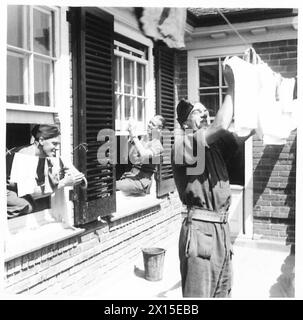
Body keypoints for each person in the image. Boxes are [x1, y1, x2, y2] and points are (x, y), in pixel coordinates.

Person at [172, 65, 254, 297]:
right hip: (200, 231)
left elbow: (244, 131)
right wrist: (232, 86)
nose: (205, 113)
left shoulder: (214, 147)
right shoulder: (181, 145)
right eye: (198, 112)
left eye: (206, 110)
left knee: (222, 292)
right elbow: (220, 124)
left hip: (221, 229)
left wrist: (254, 90)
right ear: (185, 123)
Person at [6, 124, 85, 218]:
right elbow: (32, 193)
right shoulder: (25, 155)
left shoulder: (45, 155)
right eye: (54, 143)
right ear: (41, 140)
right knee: (25, 205)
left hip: (16, 190)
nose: (57, 148)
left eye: (58, 144)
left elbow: (81, 180)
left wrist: (71, 170)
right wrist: (63, 182)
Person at [116, 115, 166, 196]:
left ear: (159, 129)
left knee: (113, 186)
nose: (149, 125)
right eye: (150, 122)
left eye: (153, 124)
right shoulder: (144, 140)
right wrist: (131, 138)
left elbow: (144, 155)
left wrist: (134, 137)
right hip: (130, 176)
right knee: (109, 186)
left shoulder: (157, 146)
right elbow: (132, 156)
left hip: (141, 181)